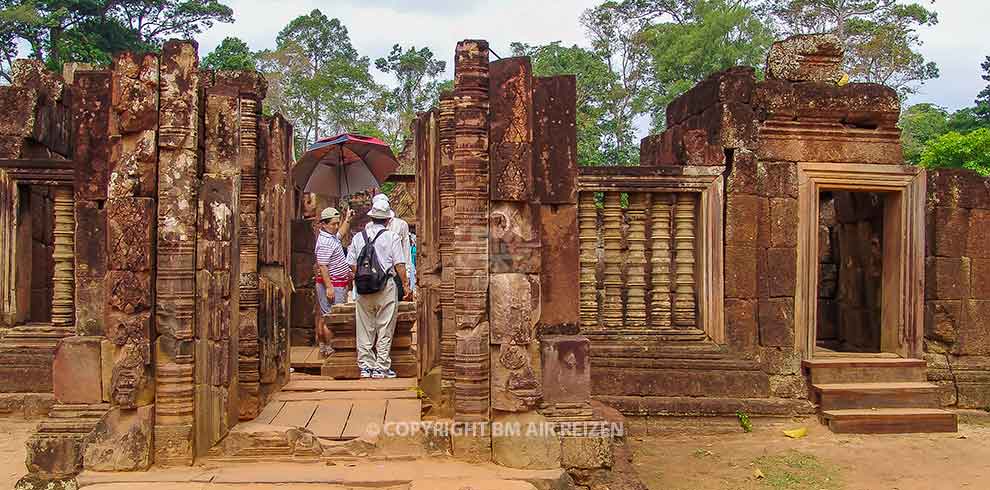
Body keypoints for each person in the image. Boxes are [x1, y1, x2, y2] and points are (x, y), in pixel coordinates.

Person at [347, 199, 412, 379]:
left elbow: (351, 265)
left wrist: (362, 277)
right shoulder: (392, 237)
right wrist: (406, 285)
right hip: (386, 285)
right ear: (386, 220)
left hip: (362, 287)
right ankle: (381, 366)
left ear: (372, 218)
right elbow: (399, 264)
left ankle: (366, 366)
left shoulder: (358, 237)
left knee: (364, 326)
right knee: (385, 326)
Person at [314, 206, 354, 357]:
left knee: (325, 316)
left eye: (337, 223)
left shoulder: (330, 237)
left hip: (337, 282)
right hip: (332, 285)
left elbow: (340, 233)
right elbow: (323, 266)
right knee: (331, 319)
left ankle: (324, 347)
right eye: (332, 224)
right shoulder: (325, 242)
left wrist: (347, 219)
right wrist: (329, 287)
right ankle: (332, 350)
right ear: (323, 224)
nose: (336, 226)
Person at [370, 193, 411, 301]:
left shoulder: (401, 225)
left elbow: (405, 251)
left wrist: (407, 274)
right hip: (373, 272)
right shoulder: (368, 228)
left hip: (395, 273)